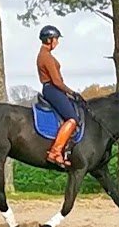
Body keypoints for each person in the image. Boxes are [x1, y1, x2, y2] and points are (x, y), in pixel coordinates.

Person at [36, 25, 84, 167]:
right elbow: (56, 81)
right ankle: (55, 152)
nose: (57, 42)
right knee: (72, 119)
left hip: (53, 89)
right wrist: (71, 92)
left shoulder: (45, 55)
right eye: (56, 39)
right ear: (49, 39)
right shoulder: (46, 57)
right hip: (52, 89)